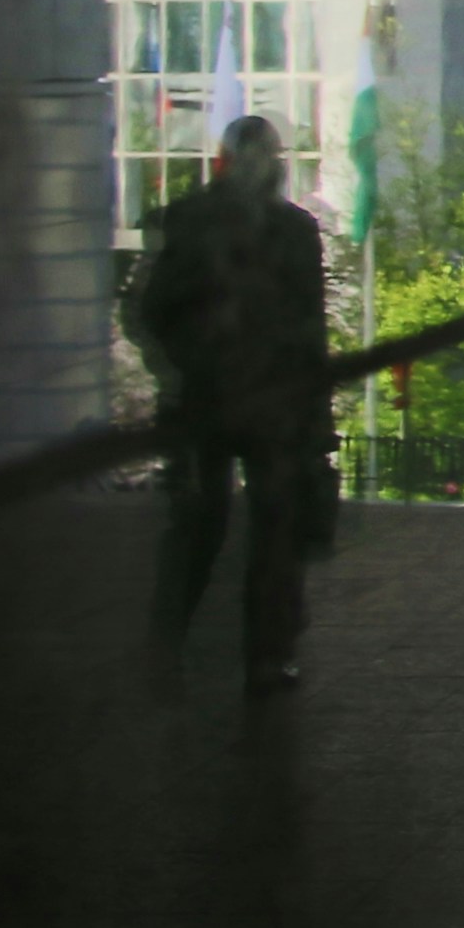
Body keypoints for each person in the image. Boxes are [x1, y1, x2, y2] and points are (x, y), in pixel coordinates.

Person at [123, 114, 330, 696]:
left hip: (212, 399)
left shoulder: (189, 221)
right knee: (260, 528)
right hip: (254, 403)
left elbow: (148, 313)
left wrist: (181, 369)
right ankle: (263, 655)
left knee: (206, 527)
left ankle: (173, 650)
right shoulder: (291, 231)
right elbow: (308, 329)